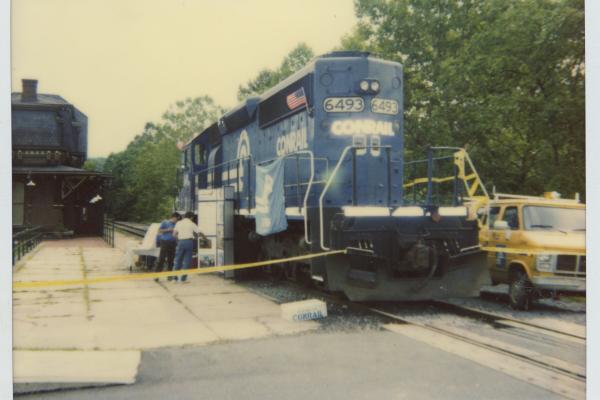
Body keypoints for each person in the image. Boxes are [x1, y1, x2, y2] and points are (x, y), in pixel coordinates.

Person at [172, 211, 206, 283]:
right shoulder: (191, 223)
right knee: (187, 261)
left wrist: (179, 241)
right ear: (191, 217)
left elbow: (174, 234)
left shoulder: (179, 223)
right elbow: (199, 232)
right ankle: (183, 279)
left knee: (178, 260)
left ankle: (174, 279)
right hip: (189, 242)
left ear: (185, 216)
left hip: (180, 242)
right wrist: (204, 237)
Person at [153, 212, 181, 281]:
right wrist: (168, 230)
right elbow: (159, 230)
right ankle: (156, 275)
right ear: (173, 217)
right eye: (177, 219)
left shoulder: (177, 224)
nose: (177, 221)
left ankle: (169, 276)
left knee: (171, 259)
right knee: (161, 259)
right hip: (164, 242)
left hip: (173, 243)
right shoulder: (165, 222)